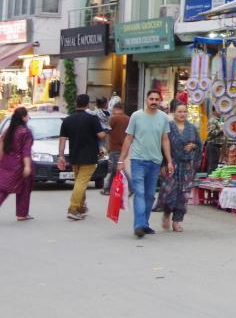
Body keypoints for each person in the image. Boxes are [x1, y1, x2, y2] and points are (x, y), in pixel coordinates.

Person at [119, 88, 173, 238]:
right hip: (138, 160)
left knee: (149, 195)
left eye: (157, 99)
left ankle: (144, 224)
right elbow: (128, 138)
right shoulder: (136, 116)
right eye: (151, 99)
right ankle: (138, 225)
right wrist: (121, 160)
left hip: (155, 162)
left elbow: (165, 140)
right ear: (146, 100)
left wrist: (169, 161)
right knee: (140, 193)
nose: (154, 102)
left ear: (160, 101)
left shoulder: (163, 118)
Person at [57, 93, 107, 221]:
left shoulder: (67, 120)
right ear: (87, 104)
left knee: (80, 182)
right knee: (81, 182)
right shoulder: (92, 118)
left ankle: (81, 207)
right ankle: (73, 208)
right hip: (89, 156)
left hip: (74, 156)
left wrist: (61, 156)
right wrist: (105, 131)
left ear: (76, 104)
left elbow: (62, 139)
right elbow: (101, 135)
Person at [160, 103, 202, 233]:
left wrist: (193, 146)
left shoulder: (192, 128)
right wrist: (164, 163)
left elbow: (199, 144)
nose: (182, 114)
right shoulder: (168, 127)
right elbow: (162, 145)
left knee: (183, 194)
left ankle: (177, 221)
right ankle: (167, 212)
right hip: (172, 164)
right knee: (169, 192)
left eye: (184, 111)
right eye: (179, 111)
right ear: (174, 113)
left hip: (187, 166)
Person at [0, 107, 35, 221]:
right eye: (27, 115)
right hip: (20, 165)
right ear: (23, 117)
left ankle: (22, 214)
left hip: (6, 162)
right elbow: (26, 151)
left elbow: (1, 147)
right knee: (24, 188)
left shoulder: (8, 131)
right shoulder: (25, 132)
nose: (28, 117)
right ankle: (21, 214)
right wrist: (27, 166)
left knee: (3, 189)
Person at [101, 102, 129, 195]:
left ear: (115, 109)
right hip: (125, 147)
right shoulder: (128, 118)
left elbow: (106, 130)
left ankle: (130, 187)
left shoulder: (113, 118)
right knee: (118, 168)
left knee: (116, 169)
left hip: (115, 147)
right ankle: (107, 188)